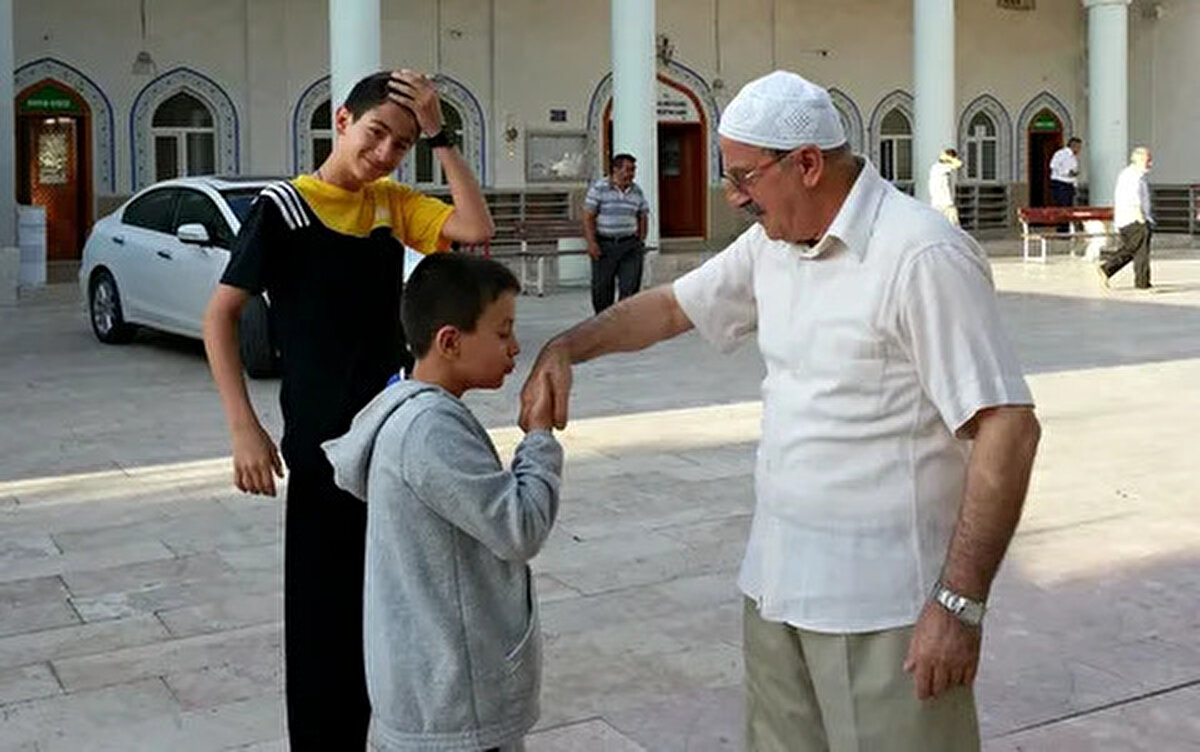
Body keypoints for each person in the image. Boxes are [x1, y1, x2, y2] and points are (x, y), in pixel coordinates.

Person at [519, 70, 1041, 752]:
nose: (734, 197)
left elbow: (1007, 428)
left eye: (744, 177)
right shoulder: (773, 243)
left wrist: (959, 603)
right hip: (778, 586)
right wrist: (567, 346)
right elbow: (674, 306)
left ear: (809, 164)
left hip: (883, 611)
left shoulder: (920, 254)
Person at [201, 70, 494, 749]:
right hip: (321, 450)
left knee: (389, 612)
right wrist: (244, 428)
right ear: (341, 122)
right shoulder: (284, 208)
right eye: (376, 134)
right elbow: (219, 315)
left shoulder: (392, 204)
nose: (385, 153)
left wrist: (440, 134)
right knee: (322, 626)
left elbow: (474, 228)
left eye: (401, 144)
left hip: (391, 442)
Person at [322, 253, 562, 752]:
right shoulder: (429, 431)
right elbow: (520, 527)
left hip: (433, 694)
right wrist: (539, 437)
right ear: (450, 341)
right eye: (502, 332)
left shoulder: (413, 414)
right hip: (453, 709)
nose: (515, 347)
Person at [584, 153, 650, 314]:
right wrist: (591, 243)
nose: (631, 174)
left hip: (630, 246)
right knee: (602, 289)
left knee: (630, 287)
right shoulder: (599, 188)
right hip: (605, 245)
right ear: (615, 169)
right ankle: (603, 321)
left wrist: (640, 240)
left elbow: (642, 215)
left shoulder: (637, 191)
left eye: (633, 170)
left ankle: (623, 321)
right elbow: (588, 217)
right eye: (628, 169)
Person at [1097, 146, 1155, 290]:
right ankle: (1141, 283)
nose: (1150, 164)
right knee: (1140, 252)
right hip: (1133, 220)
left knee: (1133, 250)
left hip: (1132, 219)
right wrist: (1142, 220)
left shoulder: (1136, 175)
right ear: (1138, 159)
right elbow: (1133, 200)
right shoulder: (1131, 176)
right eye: (1148, 160)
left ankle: (1108, 269)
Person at [929, 148, 963, 226]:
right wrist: (950, 159)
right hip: (946, 205)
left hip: (936, 204)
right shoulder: (941, 168)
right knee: (954, 228)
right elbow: (958, 164)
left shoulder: (936, 168)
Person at [1049, 137, 1081, 208]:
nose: (1079, 149)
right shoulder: (1061, 153)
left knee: (1069, 206)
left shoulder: (1073, 157)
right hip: (1060, 184)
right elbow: (1053, 165)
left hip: (1069, 185)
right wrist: (1067, 172)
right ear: (1073, 145)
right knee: (1063, 206)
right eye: (1078, 147)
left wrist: (1075, 184)